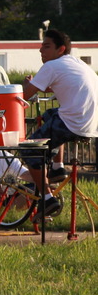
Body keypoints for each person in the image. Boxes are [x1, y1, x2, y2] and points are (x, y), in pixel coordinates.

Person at [22, 28, 98, 215]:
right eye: (41, 46)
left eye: (46, 46)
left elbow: (24, 95)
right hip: (92, 123)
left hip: (73, 123)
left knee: (28, 150)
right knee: (50, 114)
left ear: (61, 49)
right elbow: (51, 86)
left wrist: (26, 85)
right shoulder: (75, 62)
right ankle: (57, 167)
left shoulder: (51, 66)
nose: (41, 50)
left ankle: (47, 199)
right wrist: (37, 84)